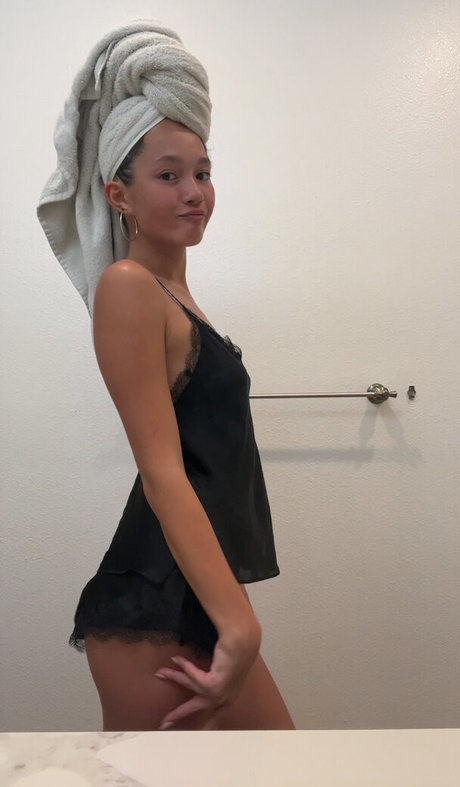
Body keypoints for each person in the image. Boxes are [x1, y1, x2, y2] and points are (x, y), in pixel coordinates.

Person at [37, 22, 295, 731]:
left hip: (189, 602)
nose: (194, 192)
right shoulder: (128, 286)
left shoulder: (176, 297)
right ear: (119, 195)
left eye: (202, 173)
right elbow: (162, 473)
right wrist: (241, 623)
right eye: (168, 175)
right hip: (150, 613)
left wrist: (232, 613)